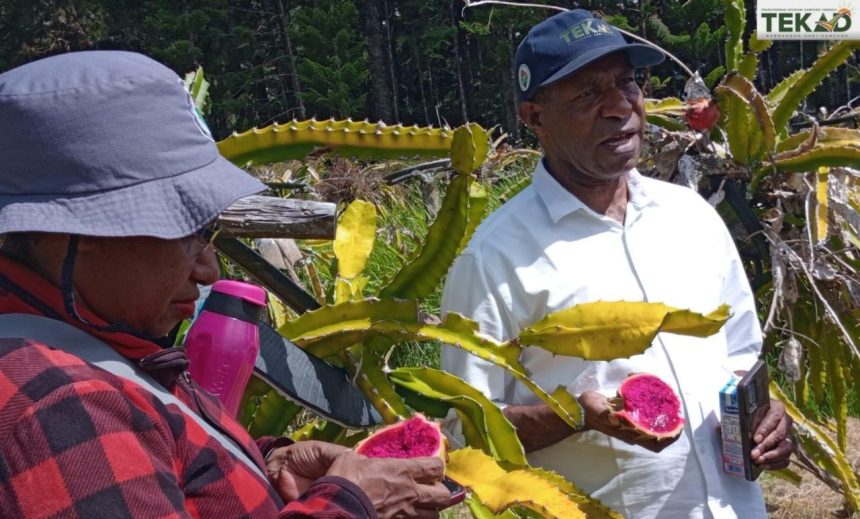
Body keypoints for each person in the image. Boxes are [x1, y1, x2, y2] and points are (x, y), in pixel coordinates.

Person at [0, 51, 452, 519]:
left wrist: (264, 462)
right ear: (74, 234)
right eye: (189, 231)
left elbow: (154, 467)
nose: (208, 270)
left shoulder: (84, 343)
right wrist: (351, 504)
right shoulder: (61, 409)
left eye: (210, 233)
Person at [440, 9, 793, 519]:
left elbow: (741, 355)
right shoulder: (494, 258)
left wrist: (768, 418)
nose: (618, 107)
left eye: (626, 82)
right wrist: (572, 416)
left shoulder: (692, 217)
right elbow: (466, 431)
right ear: (534, 118)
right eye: (587, 94)